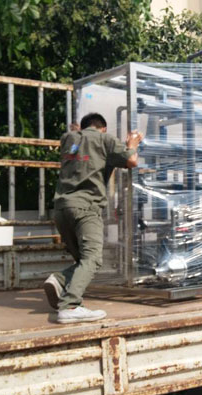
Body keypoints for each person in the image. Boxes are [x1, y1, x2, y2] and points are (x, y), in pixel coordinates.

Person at [43, 113, 142, 324]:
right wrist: (132, 143)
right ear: (103, 128)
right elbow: (131, 160)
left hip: (61, 209)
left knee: (83, 260)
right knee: (93, 259)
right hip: (86, 208)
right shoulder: (105, 139)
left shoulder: (68, 139)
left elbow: (77, 142)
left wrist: (78, 132)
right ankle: (70, 306)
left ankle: (59, 280)